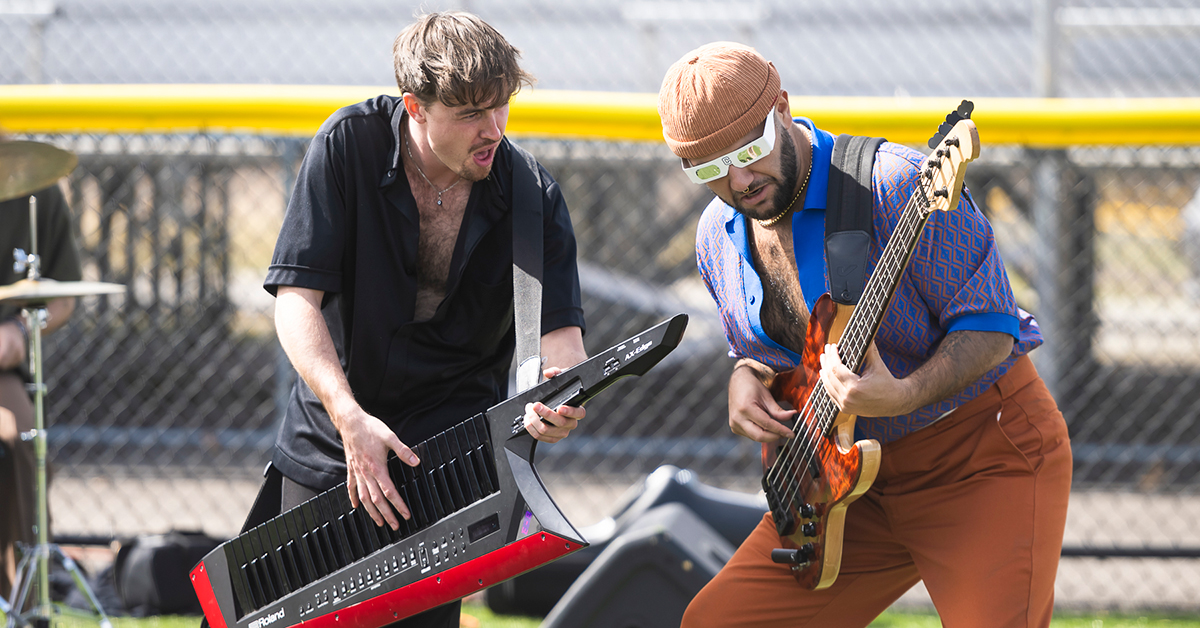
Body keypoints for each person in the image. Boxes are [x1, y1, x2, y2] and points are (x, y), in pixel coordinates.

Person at [657, 42, 1072, 627]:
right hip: (844, 486)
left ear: (781, 107)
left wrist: (902, 394)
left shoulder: (896, 184)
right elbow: (770, 355)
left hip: (982, 458)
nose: (739, 179)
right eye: (708, 169)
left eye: (750, 150)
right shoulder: (715, 237)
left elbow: (991, 327)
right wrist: (746, 376)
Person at [261, 11, 587, 628]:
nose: (493, 129)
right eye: (469, 114)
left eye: (502, 107)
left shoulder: (531, 197)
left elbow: (561, 340)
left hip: (446, 458)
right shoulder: (349, 145)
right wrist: (349, 417)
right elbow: (295, 301)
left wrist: (561, 395)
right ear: (415, 106)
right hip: (335, 433)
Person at [0, 181, 81, 600]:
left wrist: (18, 330)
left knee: (22, 438)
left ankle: (26, 597)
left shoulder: (38, 191)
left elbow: (64, 297)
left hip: (3, 374)